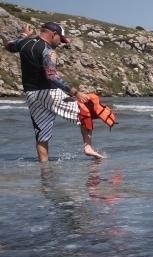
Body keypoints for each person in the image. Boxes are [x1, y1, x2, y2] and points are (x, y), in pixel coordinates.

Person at [3, 22, 104, 162]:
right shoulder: (48, 51)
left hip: (32, 95)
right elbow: (52, 76)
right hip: (49, 93)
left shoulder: (24, 43)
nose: (60, 43)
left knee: (41, 135)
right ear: (53, 34)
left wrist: (24, 35)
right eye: (60, 39)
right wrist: (76, 93)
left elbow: (9, 46)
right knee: (84, 110)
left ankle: (44, 171)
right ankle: (88, 147)